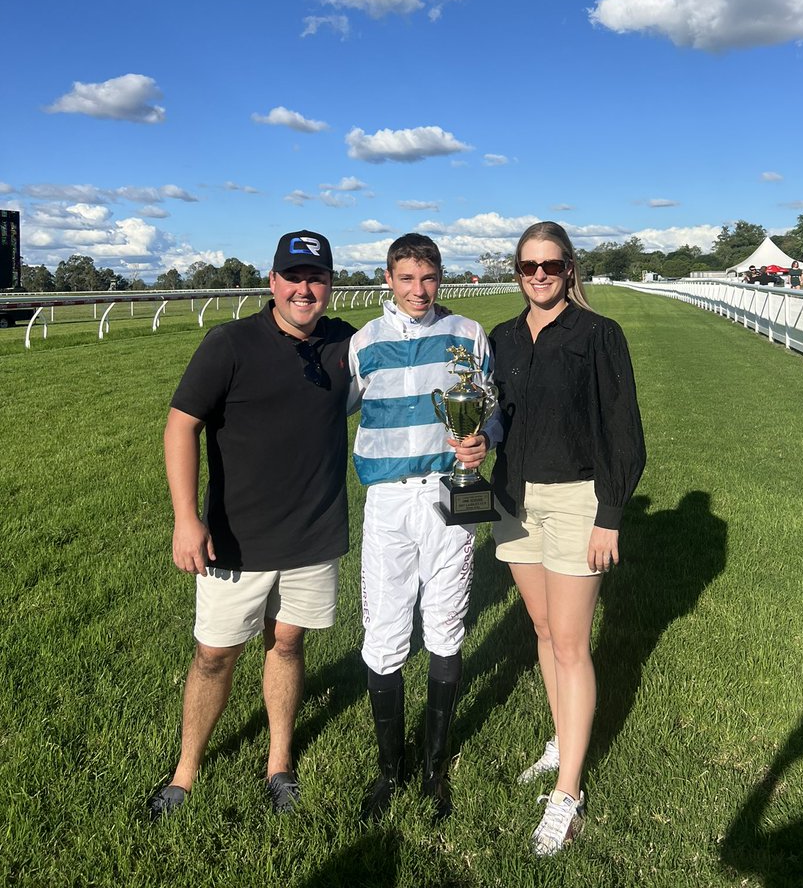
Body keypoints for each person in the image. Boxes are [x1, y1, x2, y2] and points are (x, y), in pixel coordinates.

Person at [149, 231, 354, 820]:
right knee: (215, 654)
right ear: (272, 282)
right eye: (293, 276)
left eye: (315, 278)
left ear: (329, 285)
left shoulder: (344, 343)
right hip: (235, 538)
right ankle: (185, 773)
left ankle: (279, 763)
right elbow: (180, 426)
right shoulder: (230, 344)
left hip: (313, 535)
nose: (304, 289)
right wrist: (185, 518)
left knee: (287, 643)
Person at [489, 221, 645, 857]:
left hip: (578, 500)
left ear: (570, 268)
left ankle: (569, 791)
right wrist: (476, 440)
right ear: (517, 271)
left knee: (573, 643)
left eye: (551, 265)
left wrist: (610, 512)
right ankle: (562, 737)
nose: (540, 276)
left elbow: (624, 431)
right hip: (513, 500)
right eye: (528, 266)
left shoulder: (600, 335)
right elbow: (494, 414)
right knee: (544, 631)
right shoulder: (499, 338)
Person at [348, 233, 500, 823]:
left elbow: (492, 405)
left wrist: (486, 440)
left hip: (449, 499)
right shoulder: (364, 344)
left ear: (441, 277)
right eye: (407, 278)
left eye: (428, 277)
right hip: (388, 503)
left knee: (445, 626)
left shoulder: (467, 334)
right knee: (384, 634)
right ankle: (390, 771)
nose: (419, 290)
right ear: (388, 278)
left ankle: (434, 768)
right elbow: (330, 411)